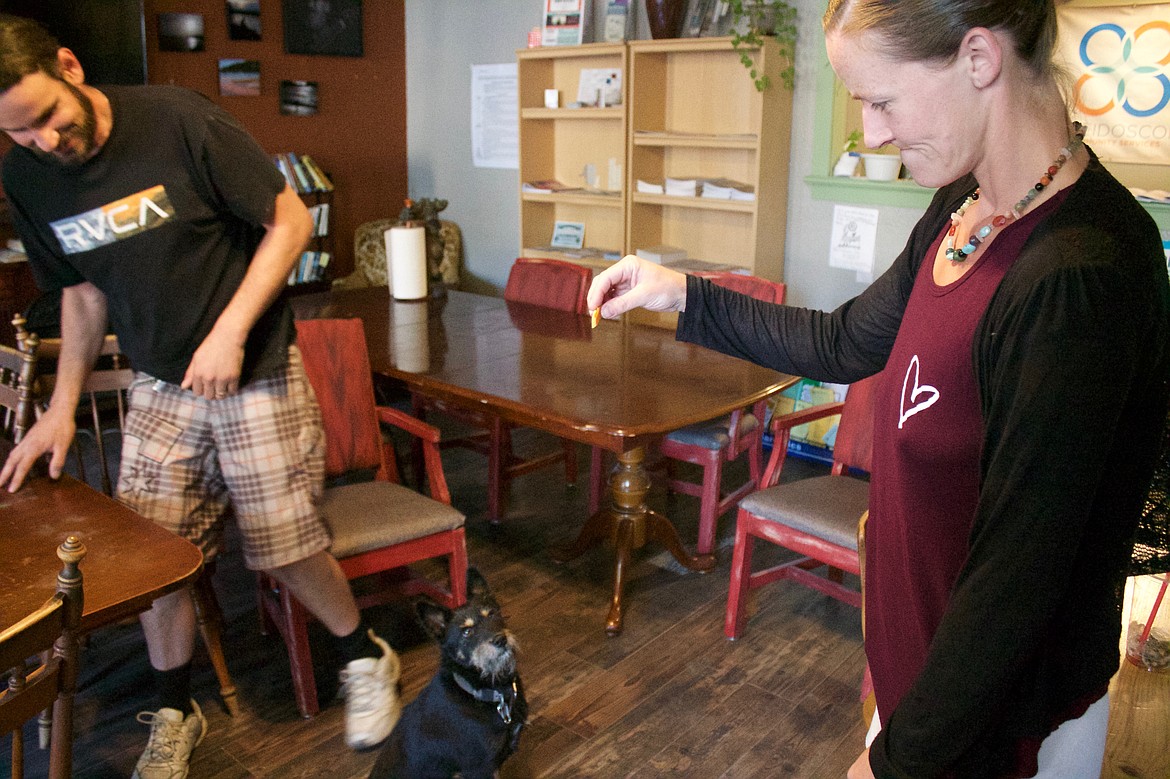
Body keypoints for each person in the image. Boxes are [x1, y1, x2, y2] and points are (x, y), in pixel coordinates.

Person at [589, 2, 1170, 777]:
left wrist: (893, 762)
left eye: (881, 99)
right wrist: (682, 294)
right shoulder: (963, 207)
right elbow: (844, 341)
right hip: (918, 683)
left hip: (998, 728)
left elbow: (1015, 586)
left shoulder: (1078, 277)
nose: (871, 132)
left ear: (978, 59)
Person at [0, 14, 398, 778]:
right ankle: (175, 710)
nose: (44, 141)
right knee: (160, 560)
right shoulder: (28, 179)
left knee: (284, 544)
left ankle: (363, 654)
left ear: (71, 68)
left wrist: (229, 331)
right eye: (21, 133)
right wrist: (59, 406)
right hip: (158, 378)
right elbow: (82, 295)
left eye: (47, 117)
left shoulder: (176, 121)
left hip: (254, 367)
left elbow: (289, 219)